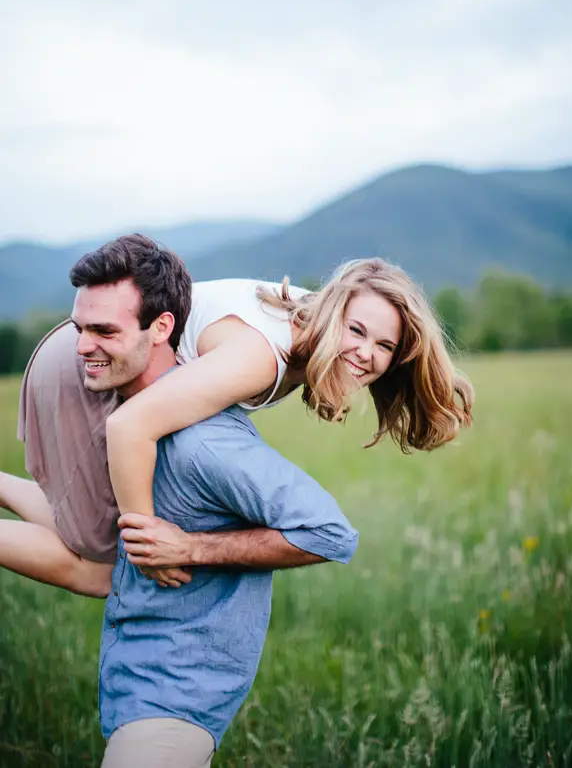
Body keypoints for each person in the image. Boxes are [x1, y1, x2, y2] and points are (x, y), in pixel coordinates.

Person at [1, 234, 472, 593]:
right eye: (357, 331)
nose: (366, 352)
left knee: (94, 537)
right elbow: (131, 425)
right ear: (334, 313)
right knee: (106, 569)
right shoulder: (260, 355)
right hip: (96, 356)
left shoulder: (314, 324)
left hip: (108, 353)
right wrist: (150, 549)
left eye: (385, 346)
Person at [62, 259, 355, 768]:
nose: (84, 346)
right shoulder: (138, 447)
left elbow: (330, 533)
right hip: (135, 689)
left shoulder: (205, 443)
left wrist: (190, 548)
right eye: (79, 330)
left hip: (176, 706)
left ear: (161, 330)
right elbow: (83, 558)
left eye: (103, 331)